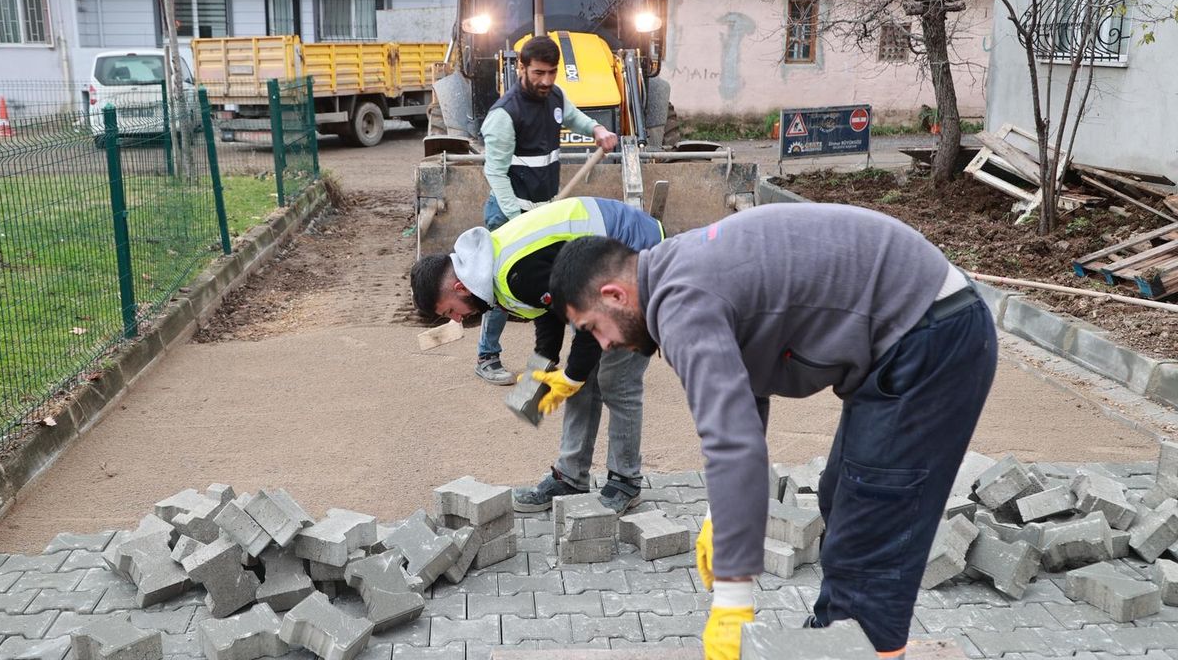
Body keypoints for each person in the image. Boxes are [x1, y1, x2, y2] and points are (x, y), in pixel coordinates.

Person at [547, 203, 998, 660]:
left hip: (931, 335)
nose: (604, 345)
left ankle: (859, 642)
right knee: (841, 496)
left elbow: (731, 441)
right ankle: (836, 636)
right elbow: (744, 402)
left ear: (614, 294)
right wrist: (719, 518)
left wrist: (732, 602)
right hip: (916, 328)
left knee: (872, 531)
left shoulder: (679, 301)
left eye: (593, 329)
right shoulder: (679, 271)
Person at [410, 197, 662, 513]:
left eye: (450, 311)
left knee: (616, 380)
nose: (458, 319)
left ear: (460, 287)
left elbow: (590, 313)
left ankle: (625, 480)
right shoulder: (491, 271)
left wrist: (571, 376)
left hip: (636, 256)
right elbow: (547, 306)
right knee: (582, 379)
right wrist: (545, 361)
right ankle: (570, 477)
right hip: (598, 269)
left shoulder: (513, 271)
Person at [472, 35, 618, 386]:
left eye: (552, 72)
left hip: (546, 211)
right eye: (538, 72)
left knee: (549, 282)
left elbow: (574, 118)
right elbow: (495, 172)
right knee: (498, 289)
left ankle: (545, 356)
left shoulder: (554, 97)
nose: (546, 80)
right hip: (510, 214)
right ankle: (487, 356)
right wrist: (518, 220)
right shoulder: (504, 115)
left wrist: (597, 129)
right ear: (520, 68)